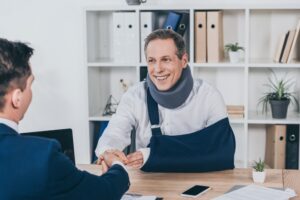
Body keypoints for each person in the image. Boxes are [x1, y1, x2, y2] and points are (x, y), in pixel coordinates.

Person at [0, 38, 130, 200]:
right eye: (30, 85)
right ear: (17, 98)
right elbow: (105, 192)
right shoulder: (42, 157)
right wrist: (118, 166)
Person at [95, 29, 235, 171]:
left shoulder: (208, 96)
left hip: (198, 179)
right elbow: (115, 131)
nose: (158, 69)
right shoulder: (134, 96)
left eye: (166, 59)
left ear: (184, 60)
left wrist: (151, 154)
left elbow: (222, 151)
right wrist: (107, 152)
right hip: (149, 183)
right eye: (151, 61)